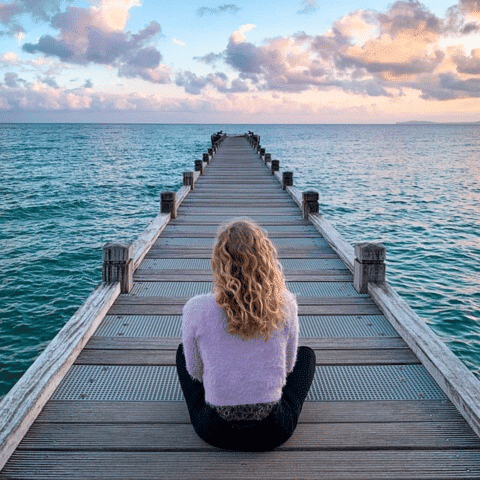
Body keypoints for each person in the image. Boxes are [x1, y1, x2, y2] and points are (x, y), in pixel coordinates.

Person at [175, 218, 316, 451]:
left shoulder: (196, 308)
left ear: (219, 262)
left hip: (215, 431)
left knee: (183, 353)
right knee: (307, 356)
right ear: (266, 260)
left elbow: (195, 372)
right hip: (273, 431)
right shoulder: (286, 303)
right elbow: (289, 367)